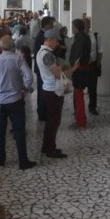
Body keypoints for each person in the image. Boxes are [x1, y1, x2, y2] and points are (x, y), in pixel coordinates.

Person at [0, 35, 36, 170]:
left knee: (0, 132)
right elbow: (29, 77)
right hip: (15, 100)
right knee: (19, 131)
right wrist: (24, 89)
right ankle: (23, 161)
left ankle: (0, 159)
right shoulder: (18, 59)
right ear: (13, 46)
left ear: (0, 47)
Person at [36, 29, 69, 159]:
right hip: (53, 90)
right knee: (54, 121)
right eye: (56, 41)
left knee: (51, 119)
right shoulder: (48, 55)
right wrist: (65, 68)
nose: (57, 44)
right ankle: (50, 149)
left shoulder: (40, 52)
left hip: (48, 88)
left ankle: (47, 146)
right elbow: (56, 74)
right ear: (49, 40)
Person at [69, 19, 91, 128]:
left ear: (77, 28)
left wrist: (71, 70)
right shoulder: (84, 37)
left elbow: (78, 57)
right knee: (78, 95)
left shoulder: (80, 38)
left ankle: (81, 121)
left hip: (79, 70)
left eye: (73, 27)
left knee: (79, 96)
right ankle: (80, 118)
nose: (72, 29)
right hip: (82, 69)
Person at [33, 16, 55, 121]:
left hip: (43, 67)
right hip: (42, 68)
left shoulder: (42, 35)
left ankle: (43, 112)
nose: (52, 26)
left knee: (43, 91)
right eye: (51, 24)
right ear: (46, 25)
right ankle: (42, 113)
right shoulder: (42, 36)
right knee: (43, 92)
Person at [84, 18, 103, 115]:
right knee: (78, 88)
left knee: (93, 87)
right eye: (84, 24)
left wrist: (98, 63)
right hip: (81, 65)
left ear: (89, 25)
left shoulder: (95, 36)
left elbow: (100, 50)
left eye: (87, 24)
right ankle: (77, 108)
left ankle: (92, 107)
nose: (85, 26)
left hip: (92, 65)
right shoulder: (78, 36)